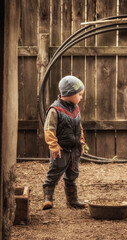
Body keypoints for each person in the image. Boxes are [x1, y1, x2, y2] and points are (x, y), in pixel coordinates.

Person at [42, 75, 87, 210]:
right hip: (60, 150)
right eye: (79, 94)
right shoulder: (55, 110)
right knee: (54, 173)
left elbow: (79, 127)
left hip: (74, 150)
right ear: (69, 93)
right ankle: (48, 199)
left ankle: (72, 201)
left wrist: (81, 143)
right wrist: (54, 146)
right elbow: (49, 129)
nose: (81, 97)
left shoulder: (75, 108)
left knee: (72, 175)